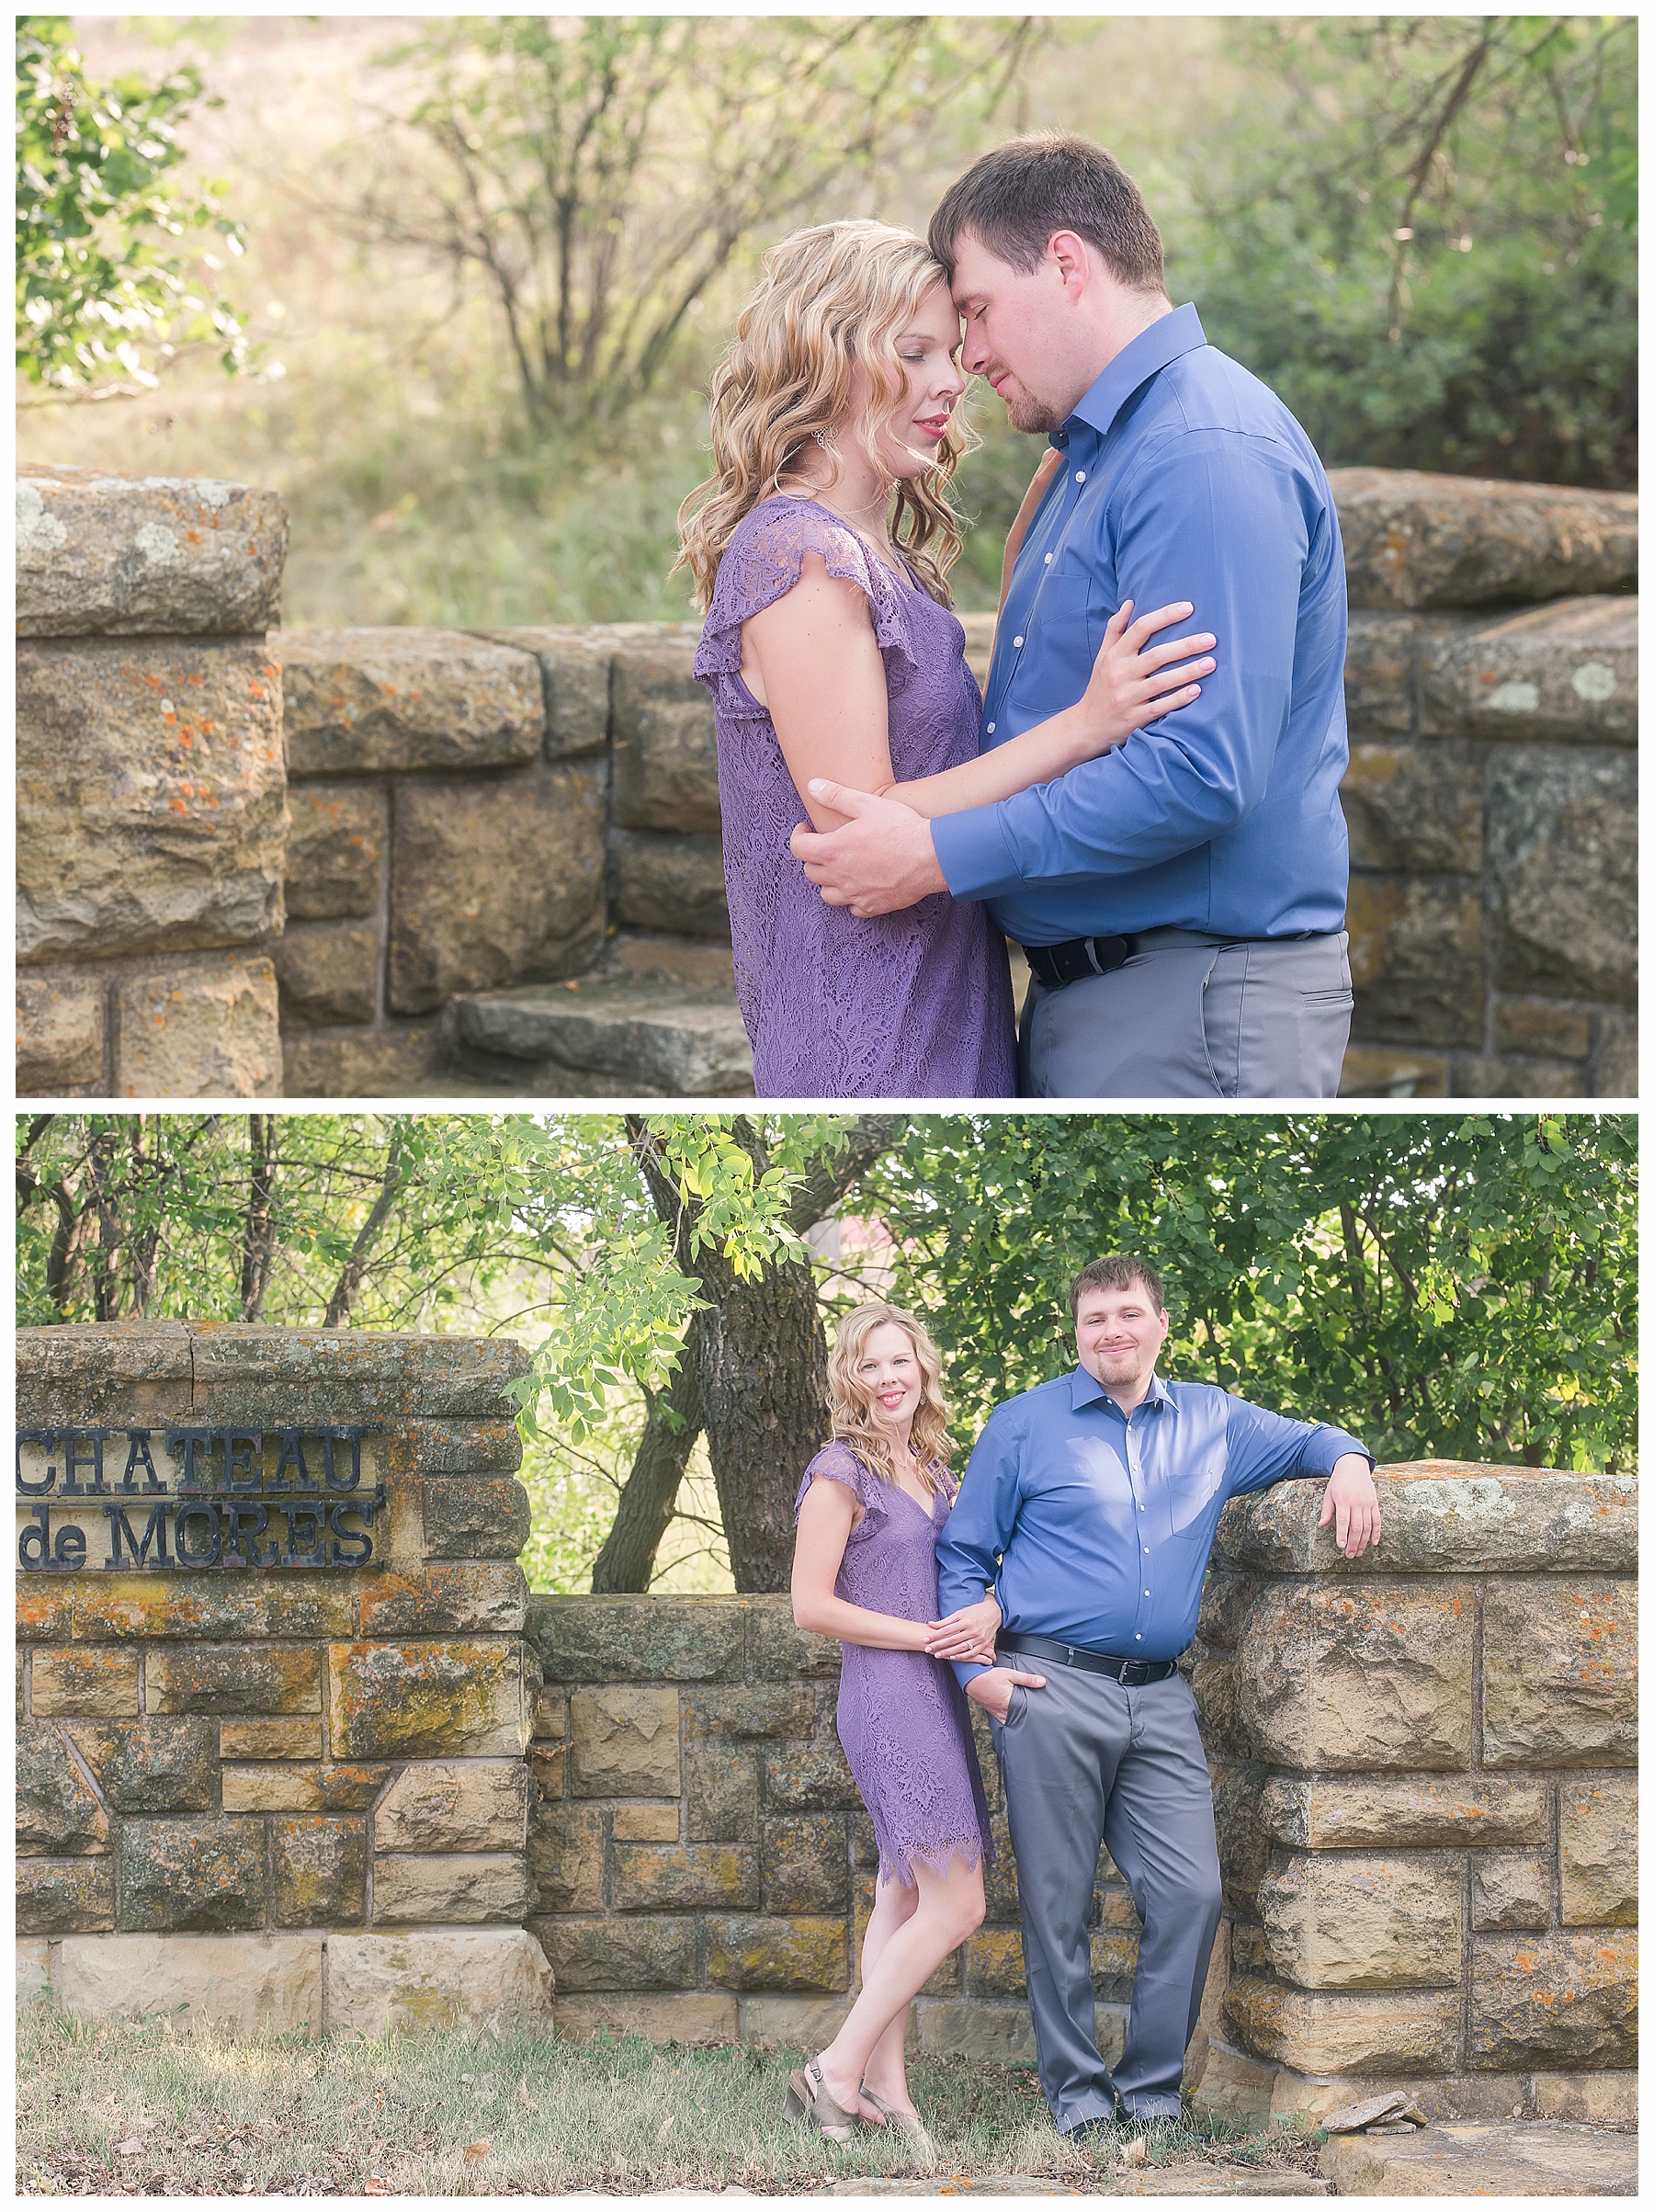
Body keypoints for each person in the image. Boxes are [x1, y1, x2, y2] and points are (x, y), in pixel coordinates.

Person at [792, 136, 1357, 1099]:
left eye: (975, 310)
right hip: (1110, 999)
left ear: (1064, 262)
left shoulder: (1196, 452)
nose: (969, 355)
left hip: (1192, 1000)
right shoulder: (1095, 454)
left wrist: (936, 856)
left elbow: (1196, 773)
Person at [678, 217, 1217, 1098]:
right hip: (870, 1021)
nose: (951, 381)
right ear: (832, 355)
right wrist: (1084, 727)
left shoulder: (875, 552)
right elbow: (862, 823)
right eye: (916, 352)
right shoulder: (800, 557)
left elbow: (932, 738)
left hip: (946, 990)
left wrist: (1022, 577)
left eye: (953, 352)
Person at [935, 1255, 1381, 2138]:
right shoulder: (1024, 1425)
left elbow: (1312, 1438)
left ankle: (1151, 2093)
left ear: (1160, 1323)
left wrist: (1353, 1464)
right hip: (1047, 1685)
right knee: (1058, 1905)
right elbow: (961, 1554)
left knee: (1191, 1894)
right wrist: (975, 1674)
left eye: (1129, 1313)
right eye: (1095, 1316)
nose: (1112, 1330)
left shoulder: (1214, 1419)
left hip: (1161, 1701)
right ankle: (1077, 2099)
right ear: (1076, 1331)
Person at [787, 1300, 1005, 2151]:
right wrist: (925, 1635)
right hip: (886, 1693)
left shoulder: (933, 1468)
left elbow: (968, 1569)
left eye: (899, 1362)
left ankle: (888, 2087)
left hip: (938, 1692)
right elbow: (810, 1605)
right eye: (870, 1364)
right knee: (960, 1901)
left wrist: (985, 1608)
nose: (887, 1378)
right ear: (851, 1376)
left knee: (903, 1892)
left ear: (922, 1369)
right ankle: (834, 2068)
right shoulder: (841, 1469)